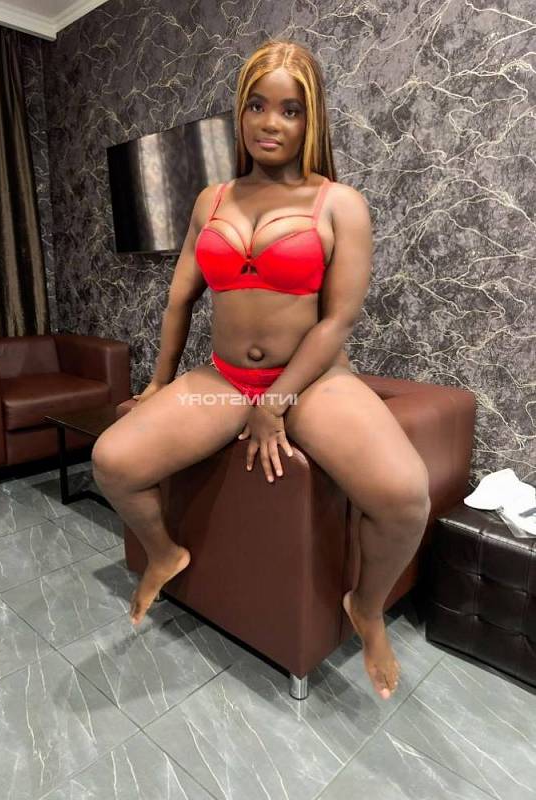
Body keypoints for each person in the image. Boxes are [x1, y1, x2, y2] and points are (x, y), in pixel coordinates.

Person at [92, 39, 431, 702]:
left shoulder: (340, 204)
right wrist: (159, 382)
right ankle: (165, 554)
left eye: (289, 110)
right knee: (112, 462)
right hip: (222, 381)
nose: (270, 122)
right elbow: (180, 299)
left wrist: (276, 401)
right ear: (240, 111)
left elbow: (336, 322)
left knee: (404, 496)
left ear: (311, 120)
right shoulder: (210, 200)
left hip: (313, 382)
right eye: (256, 105)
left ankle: (365, 607)